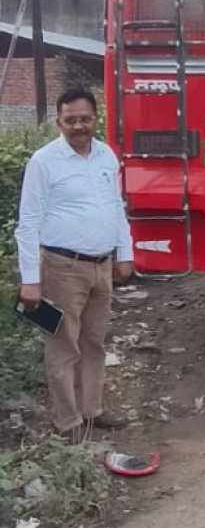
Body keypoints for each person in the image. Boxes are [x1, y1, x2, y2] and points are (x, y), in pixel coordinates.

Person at [15, 86, 134, 440]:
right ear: (59, 122)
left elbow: (116, 207)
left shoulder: (106, 156)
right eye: (71, 120)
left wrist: (124, 253)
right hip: (62, 267)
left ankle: (93, 410)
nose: (79, 126)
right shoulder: (44, 162)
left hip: (101, 266)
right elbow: (29, 222)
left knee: (95, 342)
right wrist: (30, 280)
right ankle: (68, 422)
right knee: (64, 345)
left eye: (85, 118)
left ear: (96, 119)